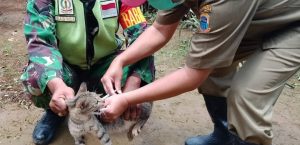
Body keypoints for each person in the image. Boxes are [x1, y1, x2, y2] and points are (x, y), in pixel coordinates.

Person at [100, 0, 300, 145]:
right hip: (257, 21)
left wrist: (126, 99)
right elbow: (160, 30)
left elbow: (192, 75)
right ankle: (225, 135)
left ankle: (245, 140)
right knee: (213, 66)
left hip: (291, 27)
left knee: (247, 94)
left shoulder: (222, 4)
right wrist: (121, 60)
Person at [20, 0, 155, 144]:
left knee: (140, 75)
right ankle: (57, 112)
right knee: (35, 78)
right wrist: (56, 84)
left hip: (106, 67)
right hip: (65, 68)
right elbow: (40, 42)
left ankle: (101, 109)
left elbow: (143, 37)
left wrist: (133, 84)